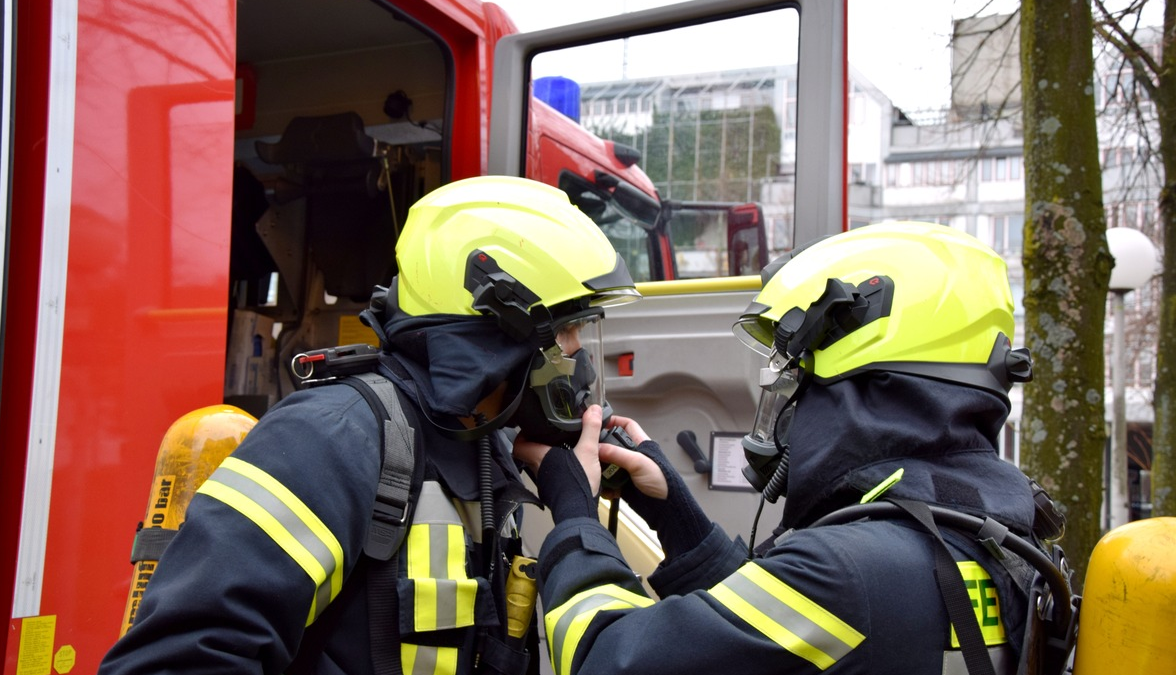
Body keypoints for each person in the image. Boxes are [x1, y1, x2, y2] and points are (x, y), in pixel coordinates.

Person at [98, 175, 640, 675]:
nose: (577, 356)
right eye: (569, 329)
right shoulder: (328, 438)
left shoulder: (477, 439)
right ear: (498, 331)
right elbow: (174, 660)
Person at [516, 221, 1075, 675]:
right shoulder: (1001, 537)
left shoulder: (846, 570)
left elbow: (608, 660)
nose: (786, 410)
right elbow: (770, 632)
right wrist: (678, 517)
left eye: (797, 382)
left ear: (853, 391)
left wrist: (575, 515)